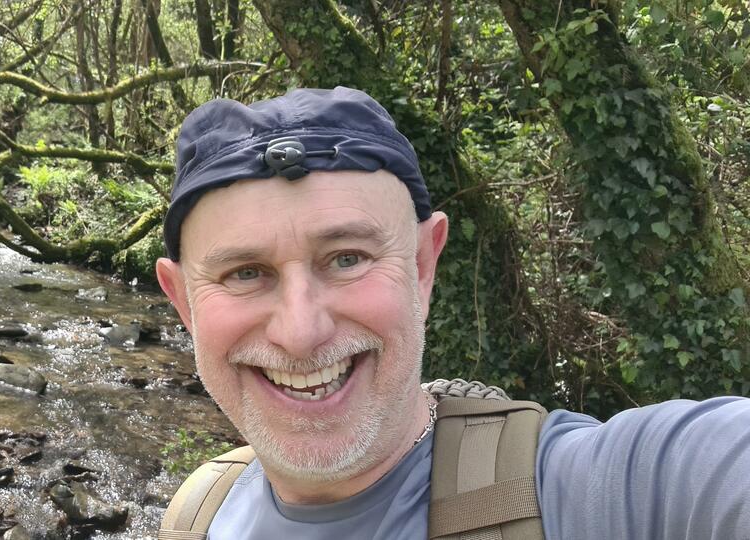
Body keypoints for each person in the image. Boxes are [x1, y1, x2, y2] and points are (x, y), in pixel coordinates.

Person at [153, 87, 750, 539]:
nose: (302, 332)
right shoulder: (197, 513)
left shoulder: (595, 491)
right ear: (183, 302)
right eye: (245, 273)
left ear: (421, 267)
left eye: (347, 258)